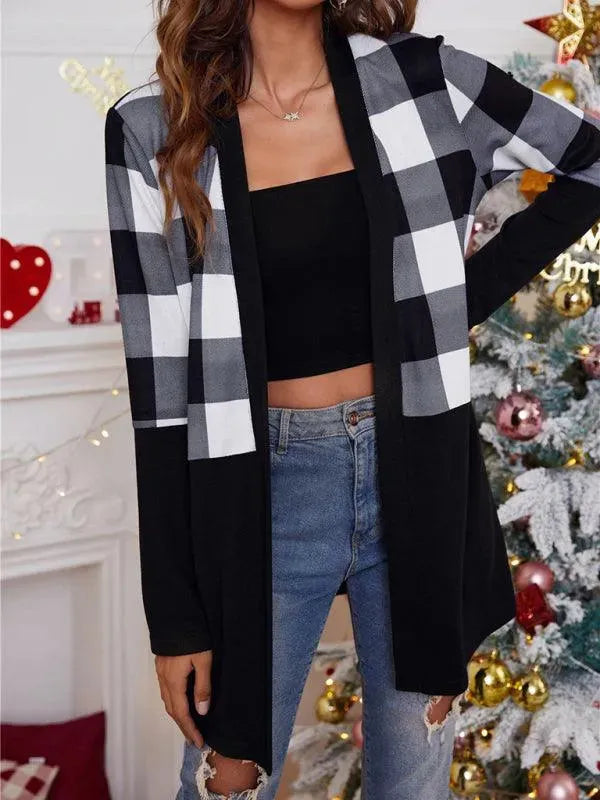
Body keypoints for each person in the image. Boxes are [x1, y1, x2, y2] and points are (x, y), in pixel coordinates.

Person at [104, 0, 600, 797]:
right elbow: (158, 393)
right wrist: (176, 618)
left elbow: (588, 162)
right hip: (262, 492)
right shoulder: (156, 125)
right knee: (228, 778)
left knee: (413, 778)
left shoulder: (423, 81)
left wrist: (457, 300)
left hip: (417, 477)